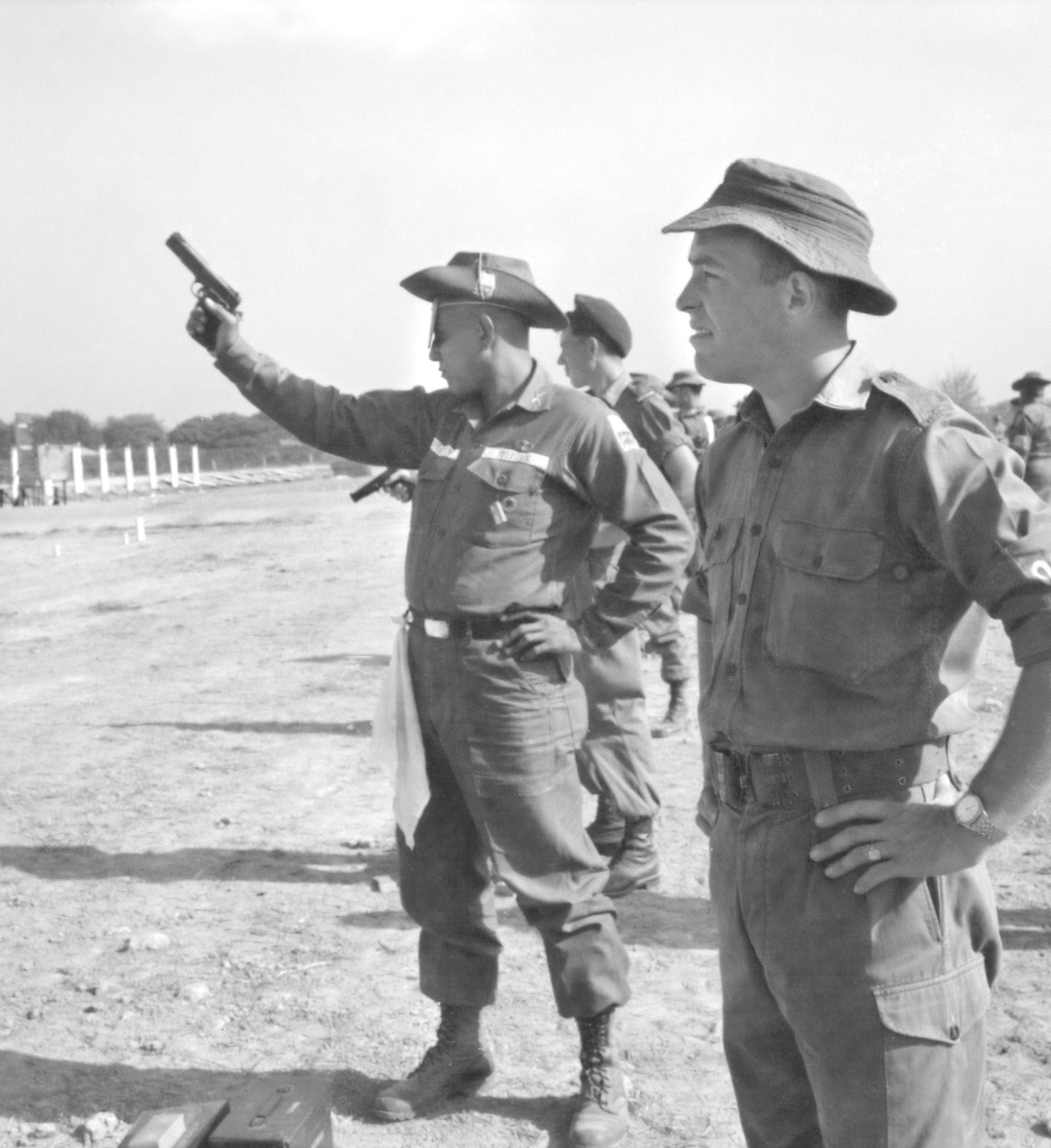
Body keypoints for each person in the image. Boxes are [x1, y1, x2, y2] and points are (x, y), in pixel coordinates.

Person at [663, 157, 1051, 1147]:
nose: (681, 297)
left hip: (869, 872)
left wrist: (969, 822)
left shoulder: (920, 445)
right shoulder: (732, 449)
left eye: (708, 272)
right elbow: (711, 608)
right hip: (749, 854)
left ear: (795, 289)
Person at [185, 251, 693, 1147]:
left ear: (486, 330)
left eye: (442, 331)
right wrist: (237, 353)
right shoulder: (438, 417)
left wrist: (590, 628)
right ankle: (459, 1048)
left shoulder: (577, 423)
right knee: (439, 867)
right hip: (430, 675)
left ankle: (597, 1073)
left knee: (557, 878)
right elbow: (332, 413)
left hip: (515, 684)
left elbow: (666, 530)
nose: (431, 349)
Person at [555, 293, 698, 896]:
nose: (560, 362)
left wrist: (614, 530)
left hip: (617, 569)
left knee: (613, 702)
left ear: (592, 348)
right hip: (593, 568)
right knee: (589, 698)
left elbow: (686, 481)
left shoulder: (641, 404)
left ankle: (639, 843)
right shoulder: (594, 406)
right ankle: (613, 822)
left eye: (566, 350)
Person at [1005, 371, 1051, 501]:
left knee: (1024, 510)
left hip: (1032, 469)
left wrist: (1014, 475)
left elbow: (1021, 448)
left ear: (1024, 392)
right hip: (1050, 468)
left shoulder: (1026, 414)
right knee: (1043, 510)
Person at [668, 370, 717, 455]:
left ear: (685, 392)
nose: (671, 396)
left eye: (675, 391)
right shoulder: (677, 417)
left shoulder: (702, 422)